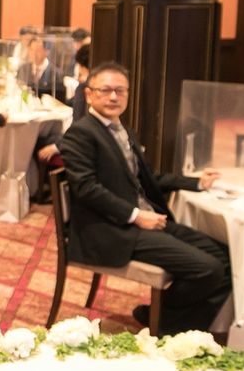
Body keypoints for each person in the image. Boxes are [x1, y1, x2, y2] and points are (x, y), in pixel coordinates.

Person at [59, 62, 232, 334]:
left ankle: (162, 319)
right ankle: (166, 324)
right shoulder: (81, 133)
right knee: (208, 269)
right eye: (105, 90)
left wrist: (197, 182)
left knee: (227, 258)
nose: (114, 97)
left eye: (120, 91)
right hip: (111, 229)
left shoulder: (123, 131)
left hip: (144, 220)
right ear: (89, 94)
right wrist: (136, 216)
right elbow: (87, 189)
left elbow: (148, 178)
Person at [17, 36, 67, 103]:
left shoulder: (56, 74)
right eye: (31, 50)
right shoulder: (23, 69)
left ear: (46, 51)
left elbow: (59, 101)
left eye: (38, 51)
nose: (34, 54)